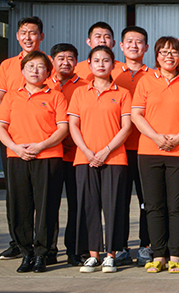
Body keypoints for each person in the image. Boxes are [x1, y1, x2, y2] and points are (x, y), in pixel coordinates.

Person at [0, 50, 68, 273]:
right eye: (30, 66)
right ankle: (25, 252)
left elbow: (62, 128)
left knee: (46, 206)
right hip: (17, 157)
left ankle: (42, 254)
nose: (35, 71)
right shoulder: (11, 96)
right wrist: (16, 147)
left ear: (48, 72)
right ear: (23, 70)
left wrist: (41, 146)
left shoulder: (56, 96)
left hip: (47, 157)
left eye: (40, 67)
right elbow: (1, 127)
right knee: (20, 206)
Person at [130, 36, 179, 273]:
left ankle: (175, 255)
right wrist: (157, 137)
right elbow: (137, 115)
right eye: (164, 52)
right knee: (154, 206)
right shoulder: (146, 81)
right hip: (150, 151)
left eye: (174, 52)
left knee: (177, 206)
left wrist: (178, 138)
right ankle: (158, 255)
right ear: (156, 56)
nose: (169, 56)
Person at [68, 45, 133, 274]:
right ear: (89, 64)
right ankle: (93, 255)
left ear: (113, 64)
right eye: (96, 60)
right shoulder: (79, 93)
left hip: (114, 158)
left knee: (113, 206)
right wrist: (87, 151)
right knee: (89, 206)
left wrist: (106, 150)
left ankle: (111, 255)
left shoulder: (123, 93)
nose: (101, 64)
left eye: (106, 60)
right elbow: (73, 126)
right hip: (84, 158)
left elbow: (126, 127)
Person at [0, 18, 47, 263]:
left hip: (43, 141)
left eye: (32, 33)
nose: (27, 37)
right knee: (16, 194)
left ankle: (45, 247)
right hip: (13, 138)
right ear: (16, 36)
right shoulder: (7, 65)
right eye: (23, 33)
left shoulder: (47, 63)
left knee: (42, 197)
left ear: (41, 36)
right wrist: (13, 127)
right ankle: (18, 243)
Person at [114, 26, 153, 264]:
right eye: (129, 41)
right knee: (119, 200)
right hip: (117, 149)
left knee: (147, 201)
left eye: (139, 42)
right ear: (121, 46)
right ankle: (119, 246)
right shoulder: (111, 73)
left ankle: (146, 245)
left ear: (146, 47)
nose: (134, 46)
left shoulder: (154, 76)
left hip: (146, 148)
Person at [51, 44, 89, 267]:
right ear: (53, 61)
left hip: (77, 154)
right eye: (61, 58)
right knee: (50, 204)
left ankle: (76, 250)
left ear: (77, 61)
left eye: (70, 58)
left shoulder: (85, 86)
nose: (65, 62)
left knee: (78, 205)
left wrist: (71, 141)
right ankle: (48, 249)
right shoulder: (44, 85)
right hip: (51, 154)